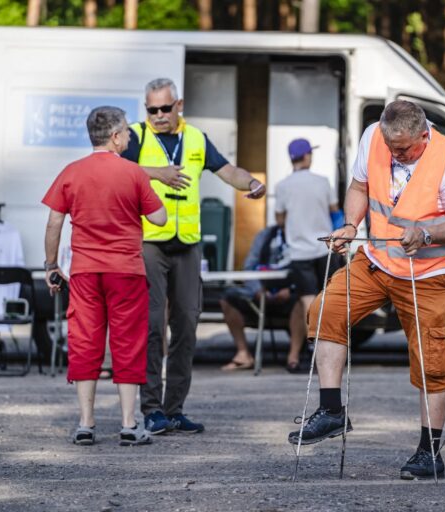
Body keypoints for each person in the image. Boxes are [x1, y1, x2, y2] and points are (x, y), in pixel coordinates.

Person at [287, 100, 445, 480]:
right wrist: (350, 225)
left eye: (403, 148)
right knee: (325, 311)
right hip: (375, 262)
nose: (395, 153)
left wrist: (426, 233)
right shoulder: (374, 136)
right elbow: (359, 185)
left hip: (428, 273)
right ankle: (332, 412)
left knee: (431, 360)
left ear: (424, 134)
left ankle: (429, 451)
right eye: (391, 147)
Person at [121, 78, 266, 435]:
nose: (157, 116)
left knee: (186, 325)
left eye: (164, 109)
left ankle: (174, 410)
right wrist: (158, 173)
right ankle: (151, 409)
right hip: (150, 242)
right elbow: (118, 171)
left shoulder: (197, 138)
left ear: (178, 105)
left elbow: (227, 170)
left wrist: (251, 183)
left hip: (186, 244)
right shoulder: (136, 136)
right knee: (153, 326)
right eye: (151, 109)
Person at [42, 106, 167, 446]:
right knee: (127, 344)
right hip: (125, 272)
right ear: (114, 137)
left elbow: (54, 222)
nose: (129, 136)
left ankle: (86, 423)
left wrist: (51, 266)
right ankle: (129, 424)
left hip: (84, 273)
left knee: (85, 343)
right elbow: (159, 219)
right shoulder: (134, 173)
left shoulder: (71, 172)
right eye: (127, 131)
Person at [274, 138, 341, 370]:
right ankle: (321, 345)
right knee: (327, 299)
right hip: (324, 248)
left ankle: (312, 345)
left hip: (299, 251)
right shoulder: (323, 182)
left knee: (306, 300)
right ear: (306, 156)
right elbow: (334, 211)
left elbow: (280, 219)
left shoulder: (282, 186)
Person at [219, 225, 307, 373]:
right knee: (228, 297)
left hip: (290, 294)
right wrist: (257, 290)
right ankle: (243, 353)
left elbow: (309, 272)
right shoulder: (265, 235)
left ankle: (293, 356)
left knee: (303, 300)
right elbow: (249, 266)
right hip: (261, 293)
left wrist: (291, 289)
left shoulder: (304, 237)